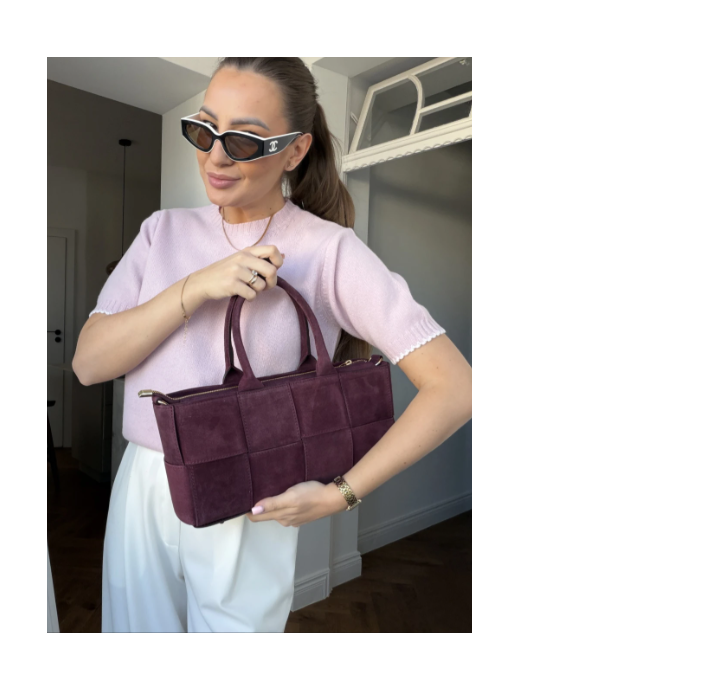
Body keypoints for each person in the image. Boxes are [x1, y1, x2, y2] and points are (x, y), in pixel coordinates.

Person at [72, 57, 473, 633]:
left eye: (243, 140)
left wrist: (342, 494)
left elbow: (455, 387)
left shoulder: (329, 250)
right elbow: (89, 364)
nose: (215, 157)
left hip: (250, 493)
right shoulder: (162, 232)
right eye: (204, 130)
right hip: (144, 481)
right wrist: (196, 287)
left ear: (295, 150)